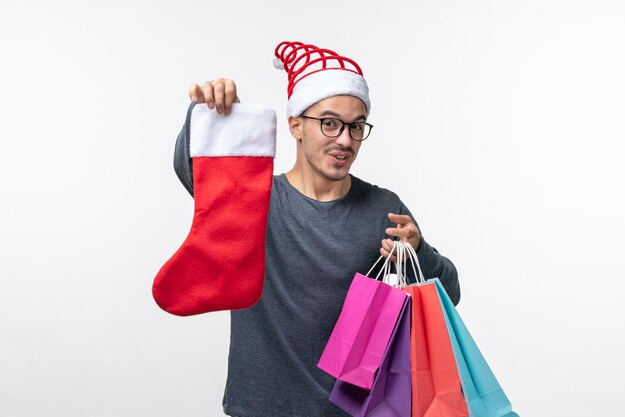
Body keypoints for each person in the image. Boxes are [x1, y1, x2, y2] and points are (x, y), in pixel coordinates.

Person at [172, 41, 460, 417]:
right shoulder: (255, 201)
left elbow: (448, 294)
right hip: (260, 408)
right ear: (295, 125)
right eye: (329, 123)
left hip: (357, 410)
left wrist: (419, 252)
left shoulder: (382, 209)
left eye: (356, 127)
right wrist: (211, 116)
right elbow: (190, 170)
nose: (344, 139)